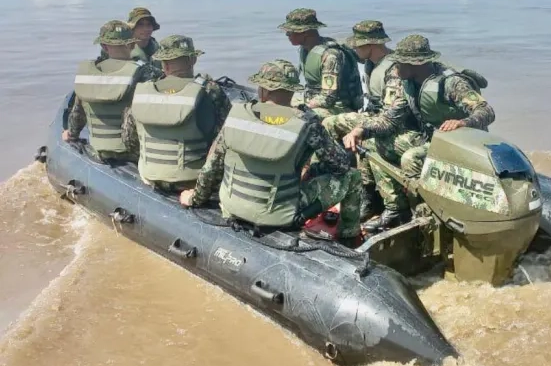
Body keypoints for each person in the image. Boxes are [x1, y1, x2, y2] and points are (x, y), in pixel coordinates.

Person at [178, 60, 361, 245]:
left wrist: (194, 198)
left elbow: (211, 168)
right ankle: (349, 238)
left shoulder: (236, 117)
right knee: (353, 177)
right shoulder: (308, 124)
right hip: (279, 215)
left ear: (263, 90)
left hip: (231, 208)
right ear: (292, 91)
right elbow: (341, 166)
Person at [343, 34, 496, 231]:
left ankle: (424, 214)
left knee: (411, 158)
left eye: (399, 64)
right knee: (371, 143)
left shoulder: (450, 83)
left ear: (415, 65)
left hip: (464, 146)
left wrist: (462, 122)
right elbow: (390, 119)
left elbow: (486, 111)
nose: (394, 70)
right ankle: (395, 207)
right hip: (432, 140)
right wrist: (361, 130)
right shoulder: (408, 85)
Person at [121, 35, 232, 193]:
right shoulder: (210, 91)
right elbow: (225, 139)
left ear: (164, 64)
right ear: (193, 60)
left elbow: (129, 140)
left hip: (149, 176)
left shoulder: (143, 92)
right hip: (193, 182)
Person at [322, 20, 403, 220]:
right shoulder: (370, 63)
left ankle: (369, 198)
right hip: (372, 114)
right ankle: (334, 177)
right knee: (328, 124)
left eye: (358, 45)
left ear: (371, 45)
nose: (355, 49)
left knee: (366, 141)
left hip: (389, 121)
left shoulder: (393, 69)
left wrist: (363, 127)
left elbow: (391, 114)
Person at [63, 20, 161, 163]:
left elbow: (78, 114)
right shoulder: (146, 72)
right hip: (134, 153)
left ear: (104, 46)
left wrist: (70, 134)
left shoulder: (89, 75)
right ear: (132, 44)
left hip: (98, 149)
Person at [278, 8, 364, 119]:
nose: (287, 35)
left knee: (296, 116)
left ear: (305, 33)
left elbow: (328, 98)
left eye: (290, 32)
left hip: (338, 108)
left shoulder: (330, 56)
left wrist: (303, 107)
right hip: (313, 99)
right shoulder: (305, 50)